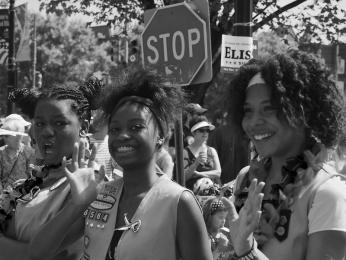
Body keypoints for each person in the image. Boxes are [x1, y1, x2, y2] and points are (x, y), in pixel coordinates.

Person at [29, 69, 215, 260]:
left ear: (161, 135)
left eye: (136, 127)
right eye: (115, 129)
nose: (122, 136)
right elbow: (36, 253)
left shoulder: (179, 202)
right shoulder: (99, 195)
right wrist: (76, 205)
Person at [228, 50, 346, 260]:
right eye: (248, 111)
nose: (254, 121)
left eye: (269, 109)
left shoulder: (328, 192)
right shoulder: (246, 178)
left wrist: (247, 252)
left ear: (303, 113)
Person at [0, 76, 103, 260]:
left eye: (59, 123)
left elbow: (36, 255)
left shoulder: (93, 187)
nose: (46, 132)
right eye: (40, 124)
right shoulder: (26, 185)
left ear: (84, 126)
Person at [183, 115, 221, 192]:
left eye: (207, 130)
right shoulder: (185, 152)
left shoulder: (212, 150)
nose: (205, 133)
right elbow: (183, 177)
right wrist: (196, 163)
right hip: (192, 196)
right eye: (201, 130)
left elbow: (218, 173)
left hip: (212, 195)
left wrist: (199, 174)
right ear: (194, 133)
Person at [0, 114, 35, 191]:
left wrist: (26, 183)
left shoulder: (29, 152)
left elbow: (33, 176)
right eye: (4, 135)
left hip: (23, 196)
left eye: (7, 135)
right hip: (4, 197)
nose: (4, 138)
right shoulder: (1, 152)